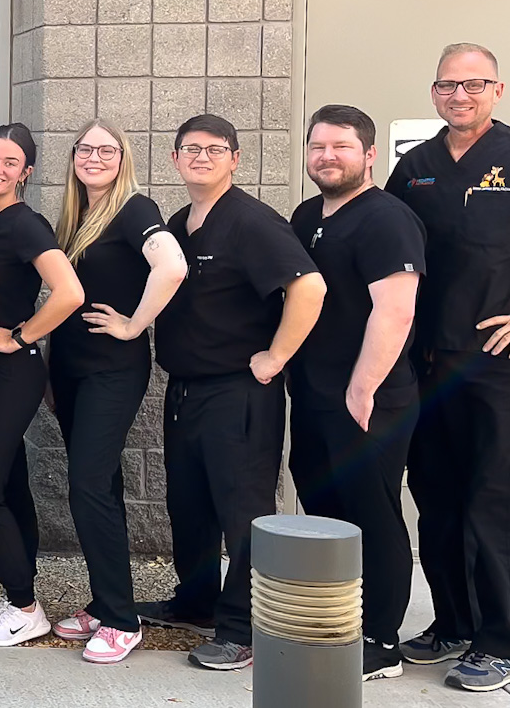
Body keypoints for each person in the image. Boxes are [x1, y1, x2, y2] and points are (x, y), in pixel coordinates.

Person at [390, 43, 510, 692]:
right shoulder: (414, 167)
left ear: (497, 89)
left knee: (495, 504)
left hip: (497, 363)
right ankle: (452, 622)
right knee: (437, 499)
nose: (459, 95)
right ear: (434, 92)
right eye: (447, 85)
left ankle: (502, 639)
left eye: (473, 84)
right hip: (424, 363)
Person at [141, 113, 325, 672]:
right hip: (186, 390)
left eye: (214, 148)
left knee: (241, 510)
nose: (201, 157)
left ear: (235, 159)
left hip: (238, 392)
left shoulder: (251, 221)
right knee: (188, 505)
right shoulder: (181, 221)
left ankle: (242, 628)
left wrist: (277, 356)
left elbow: (309, 286)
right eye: (190, 149)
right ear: (174, 159)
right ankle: (196, 602)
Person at [288, 104, 426, 682]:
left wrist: (363, 387)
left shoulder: (386, 219)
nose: (327, 157)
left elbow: (395, 311)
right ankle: (335, 620)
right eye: (319, 146)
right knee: (325, 510)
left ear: (369, 154)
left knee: (373, 512)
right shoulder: (306, 215)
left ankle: (381, 639)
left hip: (370, 397)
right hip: (315, 394)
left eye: (341, 147)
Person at [44, 119, 185, 664]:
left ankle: (124, 623)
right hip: (74, 371)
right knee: (99, 485)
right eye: (85, 149)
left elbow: (170, 267)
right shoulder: (75, 216)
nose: (94, 157)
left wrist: (134, 324)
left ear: (123, 158)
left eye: (107, 149)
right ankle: (107, 603)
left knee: (86, 484)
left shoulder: (135, 208)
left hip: (112, 370)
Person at [0, 124, 84, 648]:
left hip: (11, 372)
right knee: (7, 486)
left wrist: (21, 335)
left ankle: (27, 608)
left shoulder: (25, 224)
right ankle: (17, 596)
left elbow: (68, 291)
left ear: (25, 172)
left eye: (9, 162)